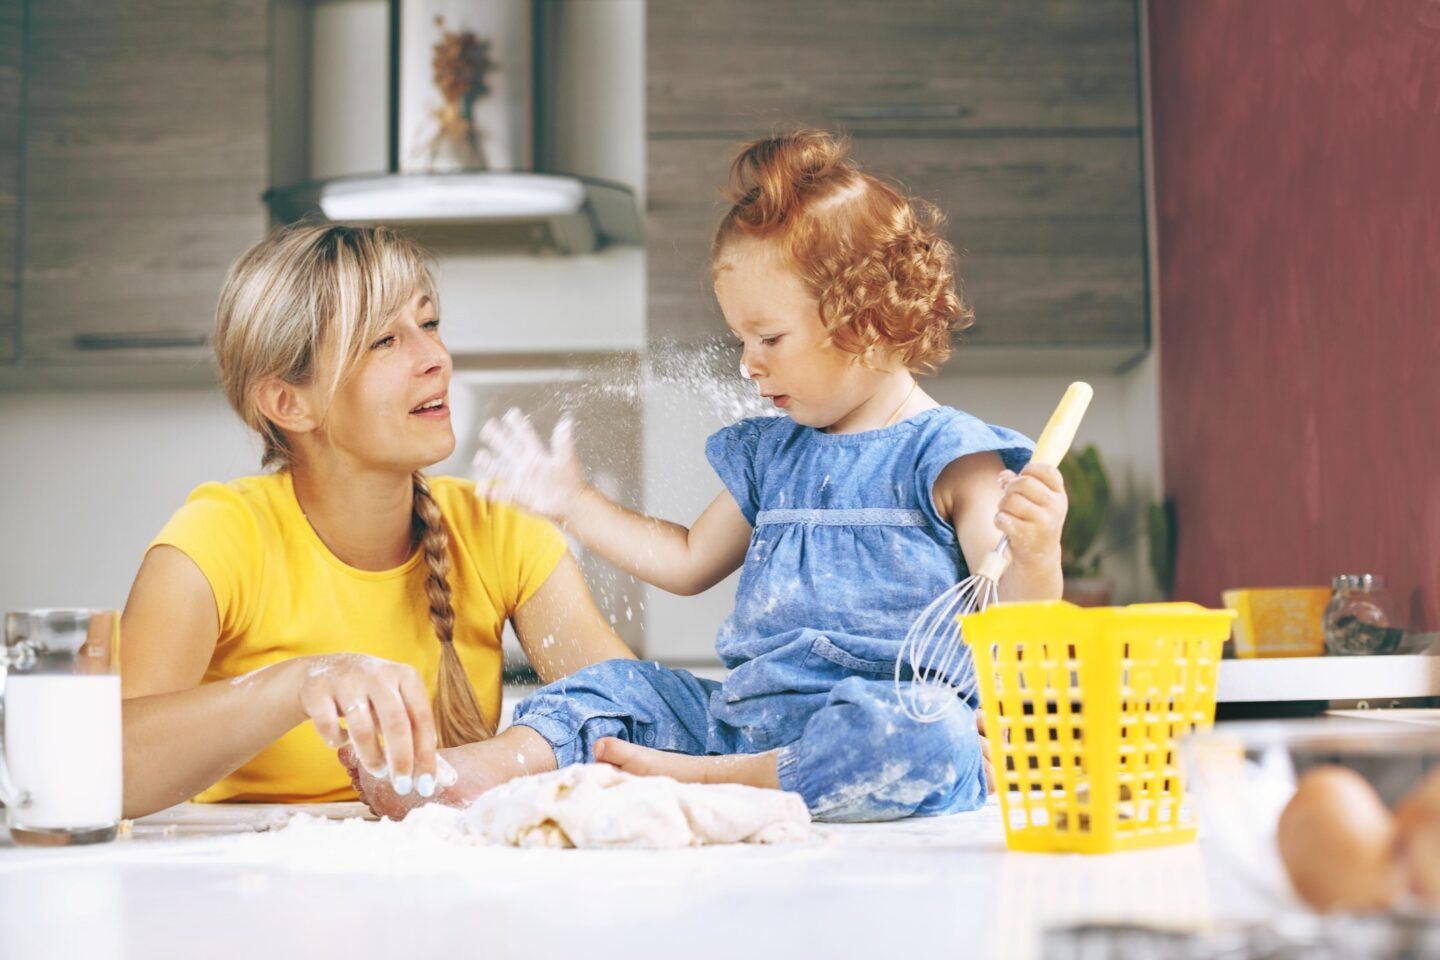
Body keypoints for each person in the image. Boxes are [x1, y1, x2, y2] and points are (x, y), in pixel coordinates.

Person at [355, 129, 1067, 823]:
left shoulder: (955, 458)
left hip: (878, 726)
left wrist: (1035, 554)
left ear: (866, 321)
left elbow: (1017, 627)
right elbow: (687, 559)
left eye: (769, 339)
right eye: (740, 340)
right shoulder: (774, 454)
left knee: (933, 732)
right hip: (744, 722)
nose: (747, 363)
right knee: (617, 685)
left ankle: (715, 782)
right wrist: (572, 501)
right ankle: (475, 771)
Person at [119, 223, 634, 818]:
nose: (435, 358)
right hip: (250, 887)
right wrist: (298, 683)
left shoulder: (502, 532)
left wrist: (512, 755)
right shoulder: (217, 539)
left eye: (430, 324)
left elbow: (635, 718)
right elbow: (106, 769)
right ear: (289, 402)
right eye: (385, 340)